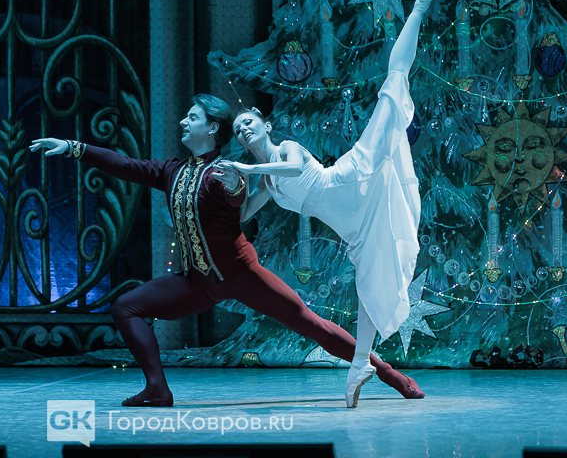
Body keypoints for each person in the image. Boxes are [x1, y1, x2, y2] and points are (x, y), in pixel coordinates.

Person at [30, 94, 424, 408]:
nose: (183, 122)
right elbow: (126, 165)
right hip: (198, 283)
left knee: (310, 324)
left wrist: (237, 186)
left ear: (211, 128)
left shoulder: (224, 171)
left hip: (240, 274)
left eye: (192, 117)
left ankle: (389, 374)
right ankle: (157, 389)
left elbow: (235, 201)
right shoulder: (171, 171)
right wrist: (73, 147)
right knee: (125, 307)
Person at [218, 0, 438, 408]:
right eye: (238, 129)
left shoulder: (286, 150)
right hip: (351, 223)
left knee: (391, 90)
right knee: (368, 285)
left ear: (265, 124)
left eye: (249, 122)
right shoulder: (264, 183)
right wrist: (223, 190)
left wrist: (247, 171)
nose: (243, 130)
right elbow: (240, 215)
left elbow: (290, 171)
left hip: (353, 177)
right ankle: (359, 365)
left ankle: (420, 3)